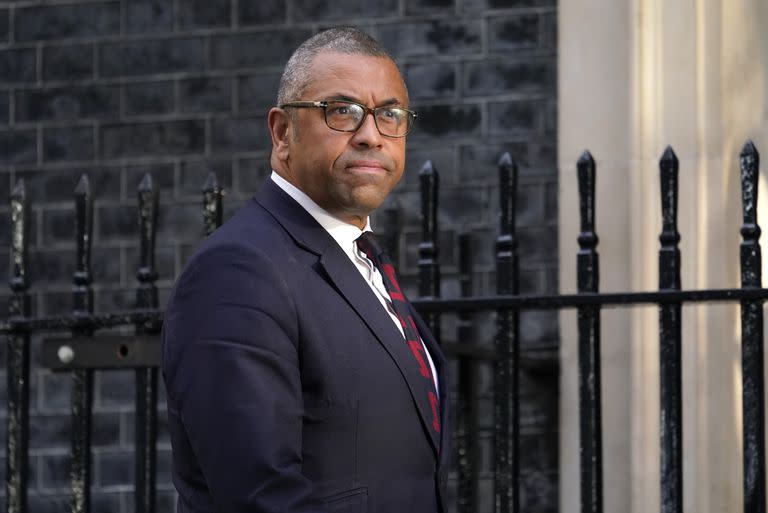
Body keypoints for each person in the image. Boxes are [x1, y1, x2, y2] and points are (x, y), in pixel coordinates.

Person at [161, 27, 450, 513]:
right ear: (281, 133)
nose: (371, 135)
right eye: (342, 111)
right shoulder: (238, 272)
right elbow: (261, 497)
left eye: (390, 115)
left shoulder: (362, 258)